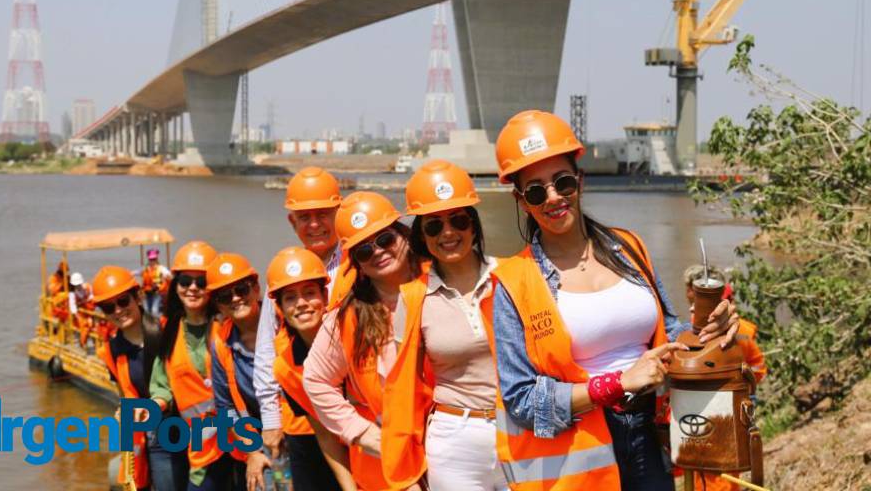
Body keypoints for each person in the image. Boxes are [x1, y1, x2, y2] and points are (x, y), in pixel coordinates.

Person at [489, 110, 740, 490]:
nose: (554, 197)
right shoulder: (512, 282)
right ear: (522, 201)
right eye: (537, 190)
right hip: (579, 457)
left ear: (581, 181)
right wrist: (615, 383)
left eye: (563, 182)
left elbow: (671, 333)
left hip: (652, 433)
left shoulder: (629, 248)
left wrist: (708, 330)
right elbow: (521, 401)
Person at [382, 160, 506, 491]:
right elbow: (402, 392)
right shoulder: (412, 299)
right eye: (434, 226)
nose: (448, 233)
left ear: (474, 225)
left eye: (459, 220)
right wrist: (407, 473)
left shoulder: (512, 277)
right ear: (422, 236)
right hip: (455, 442)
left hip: (522, 429)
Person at [303, 192, 422, 491]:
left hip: (453, 454)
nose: (378, 252)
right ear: (355, 261)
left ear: (403, 234)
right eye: (364, 250)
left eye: (385, 240)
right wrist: (362, 434)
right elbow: (316, 380)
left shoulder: (442, 286)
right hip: (388, 470)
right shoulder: (349, 316)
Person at [254, 167, 343, 461]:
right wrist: (270, 419)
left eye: (323, 214)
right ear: (292, 222)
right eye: (305, 217)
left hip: (356, 411)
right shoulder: (281, 271)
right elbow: (267, 347)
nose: (315, 224)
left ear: (339, 212)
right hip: (302, 420)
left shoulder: (361, 261)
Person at [265, 247, 351, 491]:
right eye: (290, 297)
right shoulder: (286, 367)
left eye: (309, 293)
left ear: (325, 296)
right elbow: (324, 434)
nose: (301, 304)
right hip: (340, 452)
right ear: (280, 307)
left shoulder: (352, 335)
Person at [92, 265, 182, 491]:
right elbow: (125, 394)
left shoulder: (166, 330)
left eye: (123, 301)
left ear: (138, 297)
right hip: (155, 434)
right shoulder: (111, 351)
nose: (118, 310)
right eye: (108, 307)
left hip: (189, 422)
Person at [150, 241, 227, 491]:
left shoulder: (226, 327)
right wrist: (151, 407)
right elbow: (162, 386)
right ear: (175, 286)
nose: (193, 288)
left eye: (201, 282)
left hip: (237, 442)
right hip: (202, 447)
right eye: (185, 281)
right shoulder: (169, 330)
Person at [682, 265, 766, 491]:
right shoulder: (745, 330)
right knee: (725, 467)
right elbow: (759, 370)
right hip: (733, 406)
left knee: (711, 472)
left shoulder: (692, 329)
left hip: (710, 409)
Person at [207, 253, 266, 491]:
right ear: (218, 304)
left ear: (256, 287)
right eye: (224, 296)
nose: (235, 298)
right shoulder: (221, 343)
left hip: (303, 437)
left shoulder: (283, 324)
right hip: (256, 444)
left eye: (241, 289)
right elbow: (225, 408)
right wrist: (252, 451)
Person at [142, 248, 172, 318]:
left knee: (154, 310)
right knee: (147, 310)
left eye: (154, 259)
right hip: (147, 293)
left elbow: (169, 275)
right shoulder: (145, 269)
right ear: (149, 260)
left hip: (157, 293)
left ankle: (160, 325)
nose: (152, 261)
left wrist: (168, 277)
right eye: (151, 259)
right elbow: (135, 272)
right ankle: (150, 326)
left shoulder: (161, 268)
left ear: (157, 259)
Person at [67, 272, 94, 349]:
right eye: (76, 285)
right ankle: (82, 343)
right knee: (84, 326)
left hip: (89, 310)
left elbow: (92, 296)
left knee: (94, 326)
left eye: (79, 284)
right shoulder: (72, 294)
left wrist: (86, 301)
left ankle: (94, 343)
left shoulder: (88, 287)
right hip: (80, 313)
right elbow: (72, 306)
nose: (78, 286)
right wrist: (77, 316)